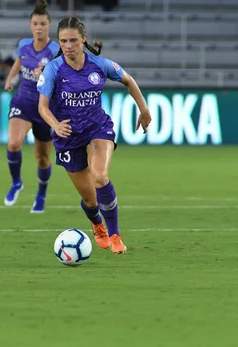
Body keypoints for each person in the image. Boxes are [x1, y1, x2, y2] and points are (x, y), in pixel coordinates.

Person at [36, 17, 151, 254]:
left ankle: (116, 235)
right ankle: (97, 224)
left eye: (74, 40)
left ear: (83, 40)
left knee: (100, 176)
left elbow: (128, 81)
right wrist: (56, 125)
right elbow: (42, 108)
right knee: (91, 200)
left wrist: (144, 109)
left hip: (97, 129)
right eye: (64, 41)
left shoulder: (100, 65)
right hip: (67, 138)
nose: (69, 46)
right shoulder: (54, 70)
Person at [3, 0, 60, 213]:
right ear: (30, 26)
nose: (39, 28)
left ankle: (41, 195)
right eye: (35, 24)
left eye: (43, 24)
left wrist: (45, 74)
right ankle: (16, 182)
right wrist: (10, 79)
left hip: (44, 108)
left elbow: (60, 76)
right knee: (13, 143)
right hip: (23, 101)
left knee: (42, 157)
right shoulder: (23, 45)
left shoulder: (55, 49)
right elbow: (19, 62)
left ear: (49, 26)